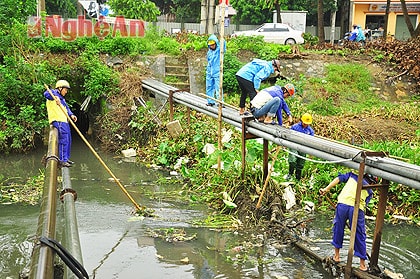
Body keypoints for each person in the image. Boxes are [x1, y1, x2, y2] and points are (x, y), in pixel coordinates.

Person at [319, 172, 377, 272]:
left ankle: (336, 256)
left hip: (343, 204)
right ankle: (362, 265)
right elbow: (364, 205)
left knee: (338, 228)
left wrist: (326, 189)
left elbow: (338, 179)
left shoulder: (353, 175)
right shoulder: (370, 191)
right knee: (359, 234)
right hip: (357, 209)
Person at [44, 80, 77, 167]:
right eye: (65, 90)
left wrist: (71, 115)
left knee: (68, 139)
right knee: (63, 139)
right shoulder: (53, 94)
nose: (66, 92)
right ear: (60, 88)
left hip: (64, 121)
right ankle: (62, 160)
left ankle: (66, 158)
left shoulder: (62, 99)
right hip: (57, 120)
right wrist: (55, 97)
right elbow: (46, 94)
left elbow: (66, 108)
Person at [285, 113, 314, 180]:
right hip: (294, 145)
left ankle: (298, 177)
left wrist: (311, 152)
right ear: (301, 121)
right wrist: (286, 144)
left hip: (303, 148)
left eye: (307, 123)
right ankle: (290, 173)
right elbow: (289, 136)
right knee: (292, 160)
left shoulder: (310, 131)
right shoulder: (295, 127)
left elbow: (311, 142)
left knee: (301, 163)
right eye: (305, 123)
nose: (306, 124)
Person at [206, 34, 225, 107]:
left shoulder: (219, 50)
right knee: (209, 87)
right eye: (210, 45)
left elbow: (223, 45)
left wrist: (221, 38)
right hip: (209, 72)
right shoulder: (209, 52)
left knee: (218, 87)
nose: (212, 46)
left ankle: (220, 102)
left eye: (213, 45)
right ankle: (210, 101)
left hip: (217, 72)